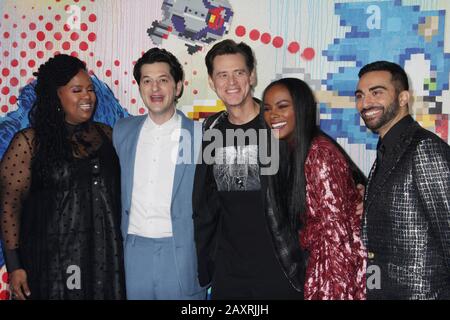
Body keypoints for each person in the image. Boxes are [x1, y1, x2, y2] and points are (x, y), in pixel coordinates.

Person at [0, 54, 125, 300]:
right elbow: (8, 206)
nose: (87, 96)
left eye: (89, 89)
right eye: (76, 90)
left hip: (104, 260)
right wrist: (15, 266)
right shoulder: (29, 143)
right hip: (53, 265)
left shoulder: (109, 135)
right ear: (55, 96)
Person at [193, 40, 306, 299]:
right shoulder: (211, 128)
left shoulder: (279, 124)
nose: (231, 82)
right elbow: (207, 200)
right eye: (222, 74)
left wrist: (357, 186)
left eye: (239, 72)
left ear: (252, 75)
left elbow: (323, 157)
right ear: (211, 81)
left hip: (280, 267)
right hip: (229, 270)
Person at [113, 48, 206, 300]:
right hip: (134, 250)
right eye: (147, 81)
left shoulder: (201, 136)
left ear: (177, 87)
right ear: (140, 87)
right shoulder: (122, 131)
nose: (155, 88)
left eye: (163, 80)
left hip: (181, 252)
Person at [262, 78, 367, 299]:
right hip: (321, 264)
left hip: (337, 272)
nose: (273, 115)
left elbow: (338, 237)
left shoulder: (319, 154)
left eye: (282, 106)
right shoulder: (290, 152)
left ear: (302, 108)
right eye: (267, 108)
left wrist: (333, 291)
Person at [355, 61, 450, 299]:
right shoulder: (386, 151)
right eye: (360, 95)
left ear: (403, 97)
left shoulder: (424, 148)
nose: (365, 103)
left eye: (377, 92)